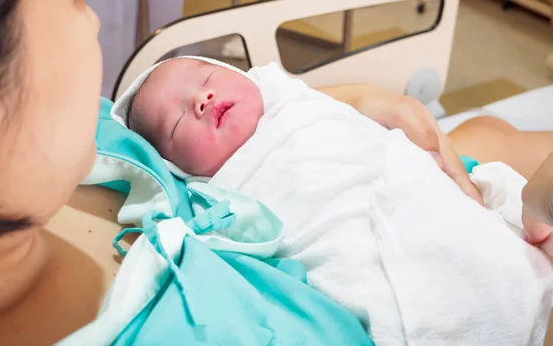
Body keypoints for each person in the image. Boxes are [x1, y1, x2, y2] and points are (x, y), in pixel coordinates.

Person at [0, 0, 551, 344]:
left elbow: (265, 98)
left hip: (418, 168)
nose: (95, 26)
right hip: (430, 260)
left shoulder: (73, 143)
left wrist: (351, 100)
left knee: (488, 139)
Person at [123, 56, 553, 344]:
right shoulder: (215, 191)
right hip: (362, 248)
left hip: (417, 189)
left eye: (207, 76)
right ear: (178, 168)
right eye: (177, 120)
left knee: (491, 145)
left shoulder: (289, 100)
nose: (202, 99)